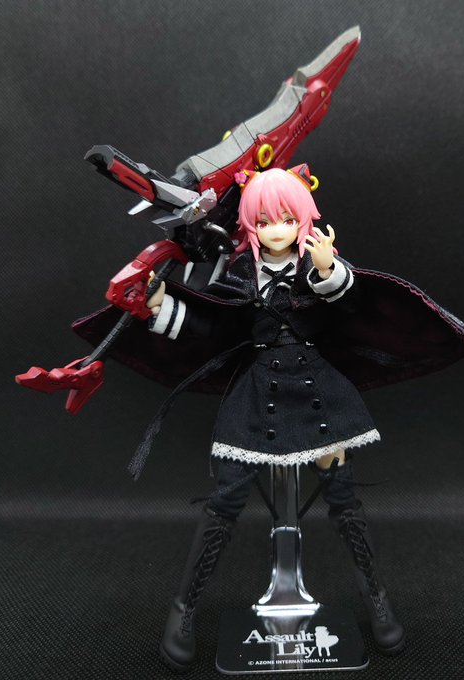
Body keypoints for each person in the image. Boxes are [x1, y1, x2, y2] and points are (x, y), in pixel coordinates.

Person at [146, 165, 404, 669]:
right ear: (250, 225)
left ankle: (377, 598)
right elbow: (211, 327)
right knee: (227, 496)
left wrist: (329, 271)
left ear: (304, 218)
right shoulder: (240, 272)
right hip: (258, 390)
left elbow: (353, 307)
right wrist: (161, 308)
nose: (277, 229)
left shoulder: (317, 262)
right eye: (264, 221)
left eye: (287, 218)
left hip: (317, 390)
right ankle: (184, 609)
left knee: (342, 492)